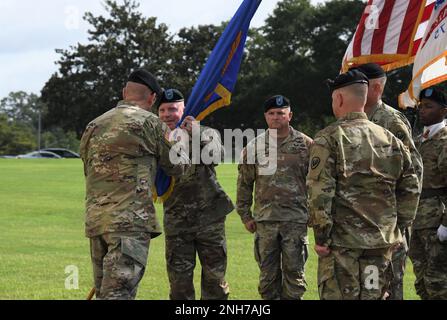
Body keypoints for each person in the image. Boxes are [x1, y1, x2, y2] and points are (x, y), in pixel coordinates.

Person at [307, 70, 420, 300]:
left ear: (338, 99)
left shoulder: (329, 139)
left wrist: (321, 237)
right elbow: (411, 185)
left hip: (343, 246)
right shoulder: (390, 139)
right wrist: (399, 228)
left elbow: (320, 194)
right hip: (381, 245)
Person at [80, 70, 190, 300]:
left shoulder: (94, 125)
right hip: (129, 223)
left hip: (97, 221)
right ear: (152, 98)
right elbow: (178, 168)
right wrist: (180, 139)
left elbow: (87, 168)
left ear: (124, 93)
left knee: (105, 294)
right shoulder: (151, 123)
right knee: (119, 294)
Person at [352, 63, 423, 300]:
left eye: (361, 84)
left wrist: (400, 223)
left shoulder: (391, 121)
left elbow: (413, 172)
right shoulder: (355, 120)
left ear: (376, 87)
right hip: (361, 223)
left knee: (390, 285)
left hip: (388, 224)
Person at [158, 88, 234, 300]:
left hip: (209, 218)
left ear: (184, 109)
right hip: (177, 221)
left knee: (215, 281)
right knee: (179, 284)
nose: (167, 114)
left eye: (172, 109)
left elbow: (217, 156)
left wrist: (196, 133)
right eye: (162, 110)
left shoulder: (205, 132)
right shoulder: (156, 138)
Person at [236, 95, 313, 300]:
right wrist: (245, 215)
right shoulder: (254, 146)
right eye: (271, 113)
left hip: (295, 220)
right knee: (267, 278)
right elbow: (244, 183)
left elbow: (317, 183)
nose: (276, 117)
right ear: (265, 117)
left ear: (290, 115)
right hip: (265, 221)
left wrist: (315, 214)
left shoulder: (306, 145)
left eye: (281, 113)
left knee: (295, 277)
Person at [408, 87, 447, 300]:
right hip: (418, 220)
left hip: (436, 222)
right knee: (421, 281)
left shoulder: (444, 141)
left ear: (443, 111)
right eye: (421, 106)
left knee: (438, 282)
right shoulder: (419, 140)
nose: (423, 111)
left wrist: (446, 224)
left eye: (429, 107)